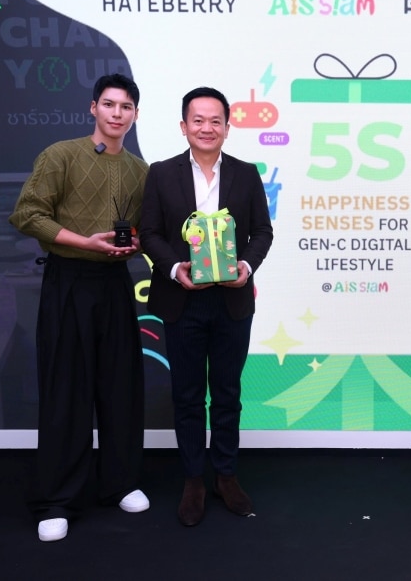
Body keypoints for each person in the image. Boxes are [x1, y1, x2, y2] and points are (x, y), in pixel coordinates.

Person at [9, 73, 150, 542]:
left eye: (126, 106)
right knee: (66, 388)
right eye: (109, 104)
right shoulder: (61, 155)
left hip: (114, 283)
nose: (117, 113)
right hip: (68, 280)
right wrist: (83, 241)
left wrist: (135, 245)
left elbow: (142, 227)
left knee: (120, 385)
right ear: (93, 108)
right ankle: (56, 499)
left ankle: (120, 482)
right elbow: (28, 214)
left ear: (135, 114)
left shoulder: (140, 170)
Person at [140, 86, 273, 527]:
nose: (207, 128)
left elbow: (262, 232)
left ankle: (226, 475)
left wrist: (246, 267)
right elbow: (150, 232)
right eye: (198, 120)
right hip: (182, 299)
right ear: (184, 126)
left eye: (216, 120)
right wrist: (173, 266)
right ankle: (194, 479)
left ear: (227, 128)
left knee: (228, 393)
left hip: (231, 300)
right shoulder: (161, 173)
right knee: (188, 394)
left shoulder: (246, 174)